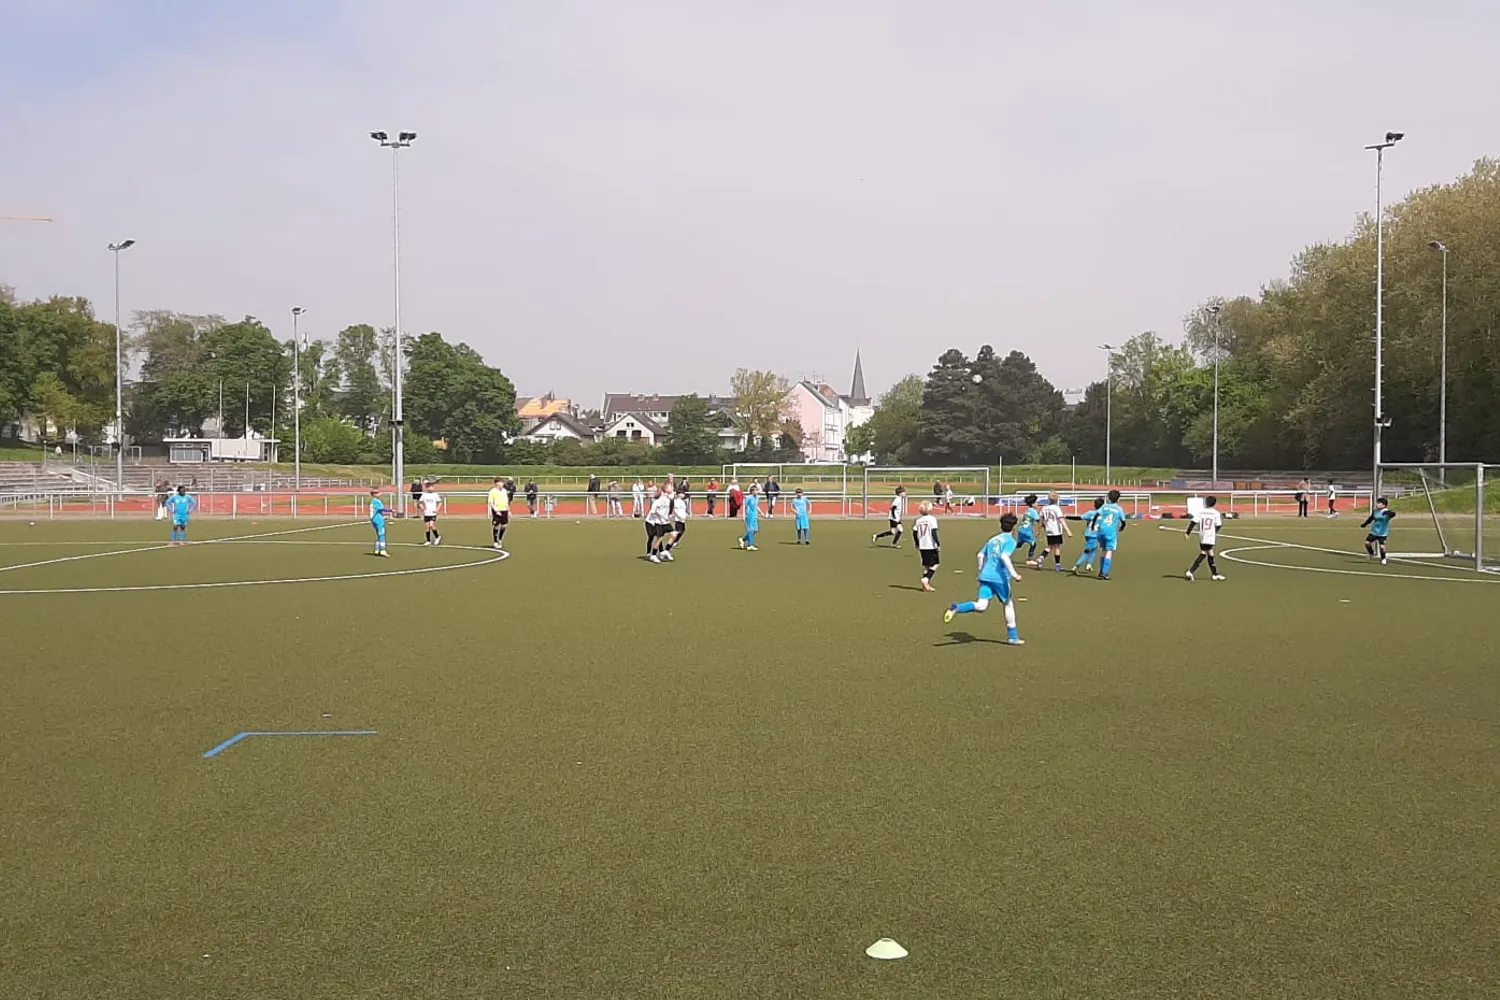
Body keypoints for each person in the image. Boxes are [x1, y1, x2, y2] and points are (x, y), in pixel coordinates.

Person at [943, 512, 1024, 645]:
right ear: (1014, 527)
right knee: (1008, 604)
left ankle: (957, 607)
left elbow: (980, 555)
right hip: (999, 578)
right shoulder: (1010, 541)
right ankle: (1013, 636)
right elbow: (1004, 556)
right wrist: (1014, 574)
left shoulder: (993, 539)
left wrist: (981, 570)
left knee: (981, 605)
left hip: (985, 576)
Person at [1185, 495, 1226, 581]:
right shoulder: (1216, 513)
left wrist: (1188, 532)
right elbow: (1218, 525)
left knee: (1210, 553)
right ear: (1214, 503)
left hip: (1202, 535)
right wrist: (1213, 532)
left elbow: (1193, 522)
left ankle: (1214, 574)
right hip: (1210, 536)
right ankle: (1191, 571)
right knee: (1205, 553)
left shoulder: (1200, 512)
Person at [1096, 489, 1128, 580]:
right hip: (1111, 532)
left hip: (1101, 531)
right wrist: (1122, 527)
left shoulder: (1104, 507)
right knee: (1109, 551)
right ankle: (1104, 572)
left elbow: (1097, 514)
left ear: (1108, 498)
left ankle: (1101, 571)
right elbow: (1123, 521)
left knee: (1103, 550)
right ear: (1118, 499)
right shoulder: (1118, 509)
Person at [1069, 497, 1105, 574]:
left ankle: (1089, 564)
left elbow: (1079, 518)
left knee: (1094, 549)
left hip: (1088, 534)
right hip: (1094, 535)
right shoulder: (1103, 515)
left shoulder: (1090, 513)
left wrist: (1068, 517)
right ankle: (1076, 566)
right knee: (1087, 551)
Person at [1039, 491, 1071, 571]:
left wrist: (1040, 528)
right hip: (1056, 530)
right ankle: (1057, 565)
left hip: (1048, 530)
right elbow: (1061, 520)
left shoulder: (1044, 508)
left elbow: (1041, 519)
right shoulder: (1056, 508)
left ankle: (1041, 557)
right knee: (1057, 547)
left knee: (1050, 546)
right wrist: (1068, 531)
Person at [913, 501, 941, 591]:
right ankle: (926, 579)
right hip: (930, 545)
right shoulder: (932, 519)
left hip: (922, 545)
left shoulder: (918, 520)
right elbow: (933, 532)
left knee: (926, 565)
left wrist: (917, 543)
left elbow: (914, 533)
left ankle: (926, 585)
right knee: (935, 564)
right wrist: (937, 543)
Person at [1362, 497, 1396, 565]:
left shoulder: (1385, 511)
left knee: (1382, 547)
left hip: (1383, 533)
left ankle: (1383, 558)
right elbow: (1371, 518)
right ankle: (1371, 553)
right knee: (1367, 543)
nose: (1377, 504)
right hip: (1374, 531)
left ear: (1384, 505)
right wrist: (1365, 524)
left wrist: (1388, 513)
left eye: (1379, 503)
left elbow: (1393, 514)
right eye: (1377, 503)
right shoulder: (1375, 511)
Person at [645, 486, 674, 562]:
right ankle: (649, 553)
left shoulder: (666, 499)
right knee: (651, 537)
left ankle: (661, 552)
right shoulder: (657, 501)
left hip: (658, 522)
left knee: (659, 537)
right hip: (650, 522)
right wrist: (663, 517)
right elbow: (653, 512)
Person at [664, 486, 690, 557]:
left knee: (682, 530)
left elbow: (683, 510)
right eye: (682, 493)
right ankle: (667, 548)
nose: (683, 495)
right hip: (679, 519)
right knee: (676, 533)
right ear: (678, 494)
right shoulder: (676, 501)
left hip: (682, 519)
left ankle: (673, 543)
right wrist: (678, 516)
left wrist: (685, 515)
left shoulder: (682, 501)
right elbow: (675, 510)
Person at [1018, 494, 1042, 566]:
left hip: (1021, 530)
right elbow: (1038, 520)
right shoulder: (1033, 511)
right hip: (1027, 531)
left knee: (1019, 544)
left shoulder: (1028, 510)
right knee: (1033, 544)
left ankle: (1005, 551)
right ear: (1033, 504)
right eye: (1036, 503)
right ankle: (1030, 560)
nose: (1038, 504)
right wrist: (1043, 527)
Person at [488, 477, 511, 550]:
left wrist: (509, 510)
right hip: (497, 510)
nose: (502, 484)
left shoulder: (504, 491)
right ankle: (495, 541)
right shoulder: (493, 491)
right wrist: (496, 510)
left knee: (504, 525)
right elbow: (491, 502)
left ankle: (500, 539)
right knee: (496, 526)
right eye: (500, 482)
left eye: (502, 482)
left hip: (504, 510)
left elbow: (506, 501)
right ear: (496, 483)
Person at [739, 484, 761, 550]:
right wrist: (743, 515)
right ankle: (750, 545)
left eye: (757, 490)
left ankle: (743, 539)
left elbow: (756, 506)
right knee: (751, 530)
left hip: (755, 515)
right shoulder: (748, 498)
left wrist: (761, 512)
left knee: (756, 530)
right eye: (755, 490)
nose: (757, 492)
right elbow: (744, 507)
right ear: (752, 491)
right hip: (750, 515)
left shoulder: (757, 498)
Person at [368, 489, 390, 557]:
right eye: (377, 493)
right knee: (382, 534)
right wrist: (391, 510)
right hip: (378, 519)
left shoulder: (374, 501)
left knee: (379, 534)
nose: (379, 493)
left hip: (374, 519)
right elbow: (381, 509)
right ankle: (382, 550)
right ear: (373, 494)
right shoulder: (376, 501)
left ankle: (377, 549)